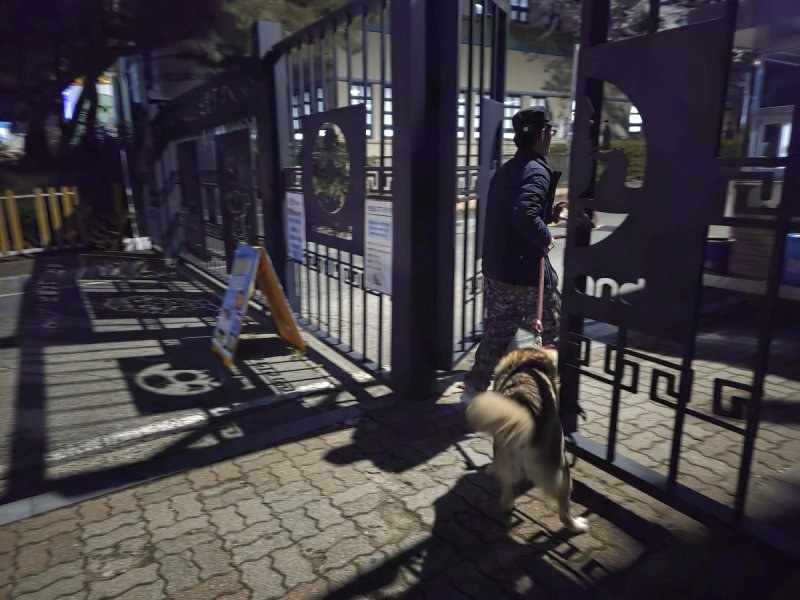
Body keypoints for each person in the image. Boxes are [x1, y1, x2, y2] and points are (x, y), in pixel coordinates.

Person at [462, 107, 567, 402]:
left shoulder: (508, 170)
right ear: (543, 134)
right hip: (524, 274)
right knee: (556, 329)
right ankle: (552, 395)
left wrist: (548, 215)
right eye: (550, 132)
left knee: (496, 335)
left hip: (498, 270)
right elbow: (523, 213)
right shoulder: (537, 170)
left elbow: (515, 212)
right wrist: (545, 236)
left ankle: (473, 389)